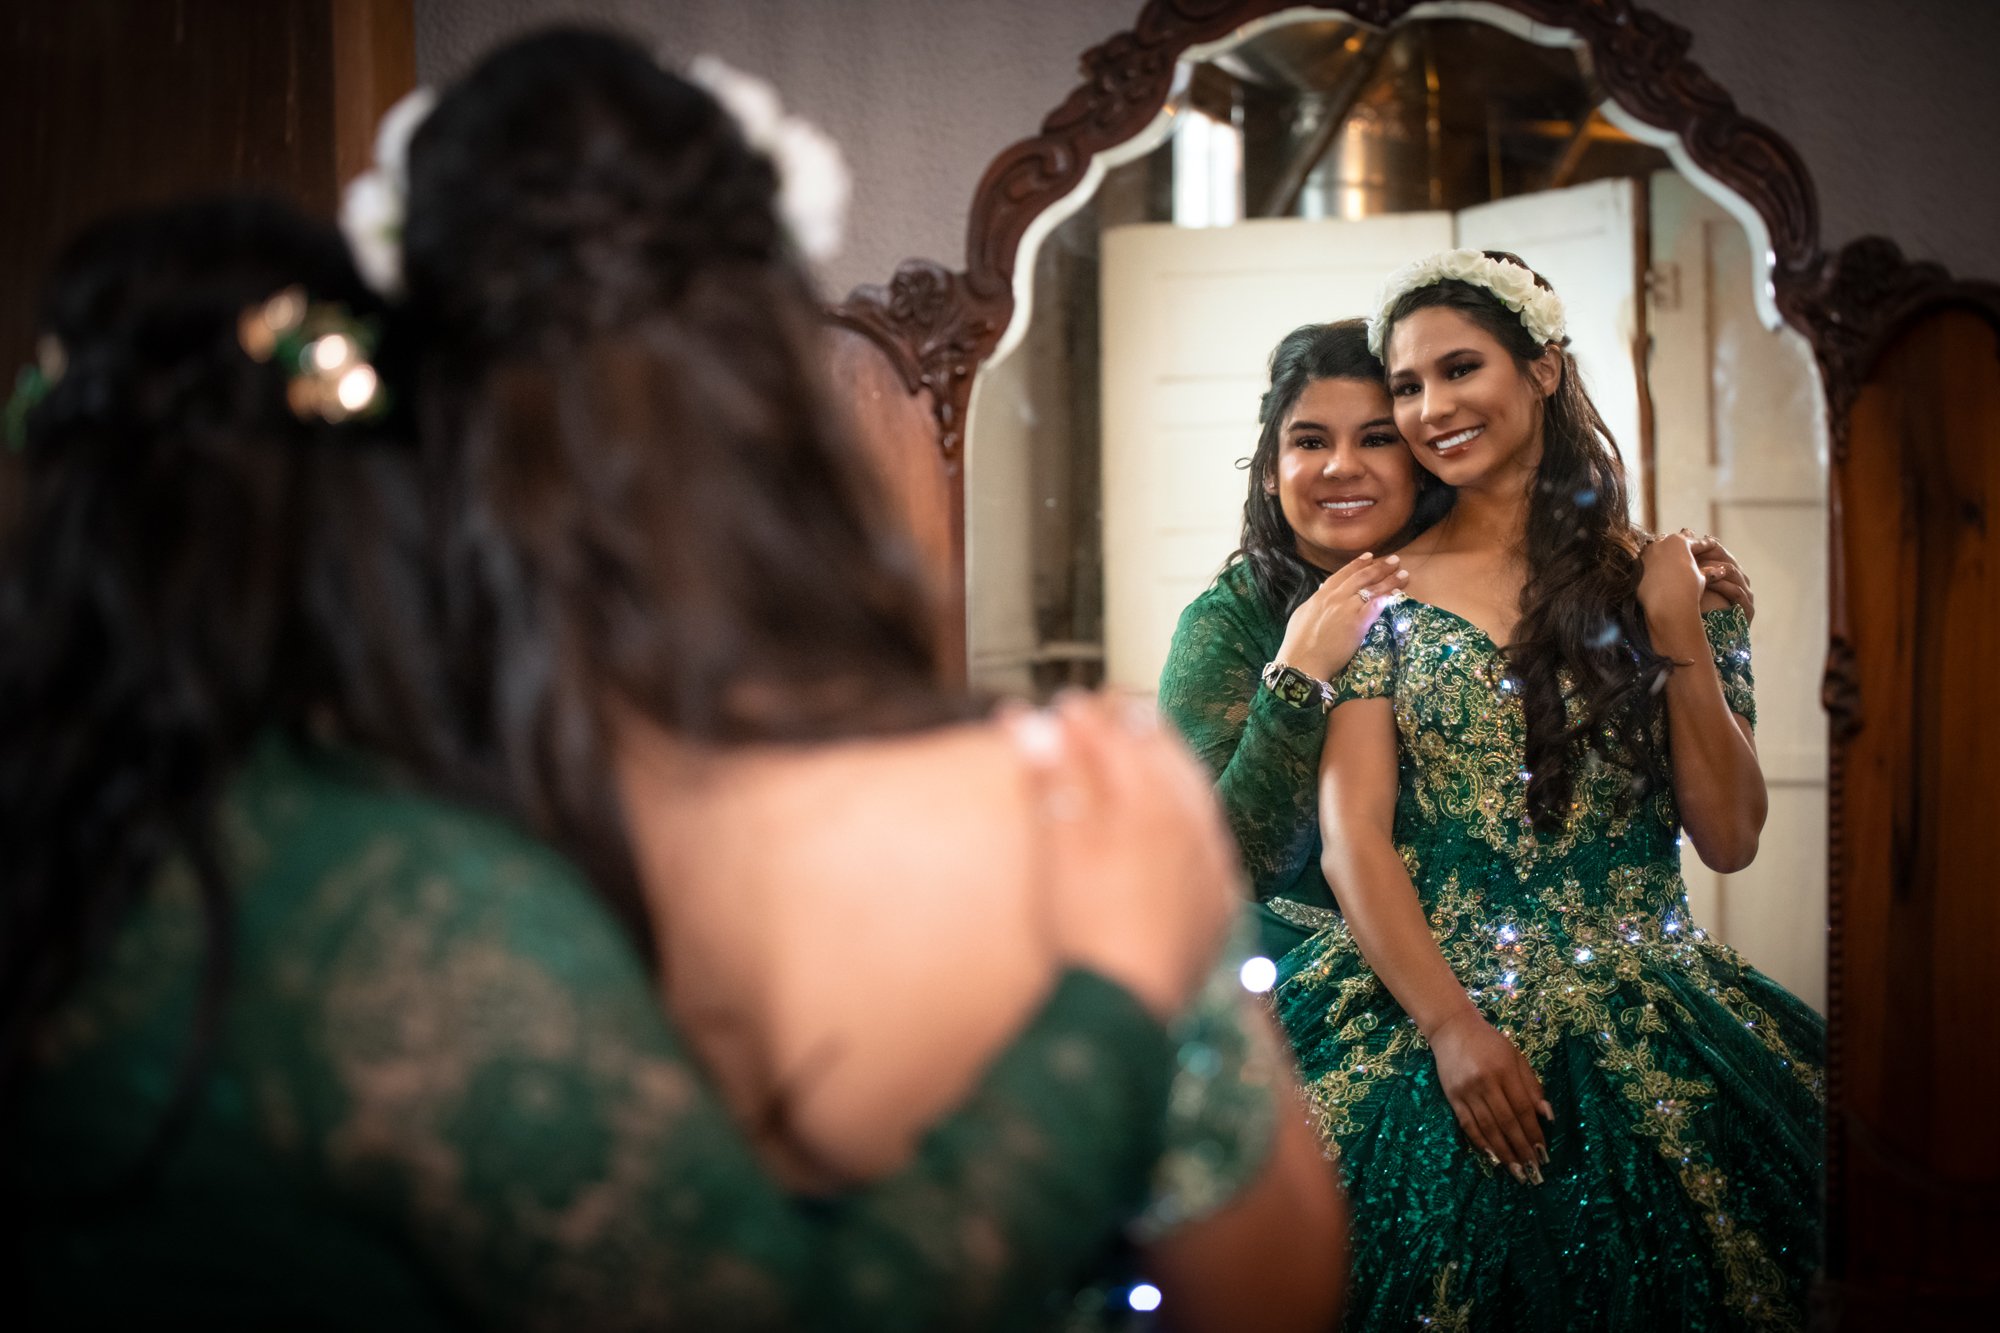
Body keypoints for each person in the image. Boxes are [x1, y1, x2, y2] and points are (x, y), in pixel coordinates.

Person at [391, 29, 1344, 1331]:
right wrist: (1166, 970)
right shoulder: (1067, 818)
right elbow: (1266, 1298)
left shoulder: (333, 843)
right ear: (788, 401)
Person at [1275, 249, 1823, 1330]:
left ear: (1541, 369)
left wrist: (1676, 636)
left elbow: (1728, 837)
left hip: (1653, 1010)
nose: (1429, 408)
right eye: (1406, 385)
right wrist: (1450, 1028)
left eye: (1459, 368)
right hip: (1417, 1011)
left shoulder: (1671, 581)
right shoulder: (1377, 593)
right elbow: (1354, 841)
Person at [1156, 320, 1750, 966]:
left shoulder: (1525, 580)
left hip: (1523, 965)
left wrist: (1681, 605)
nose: (1342, 466)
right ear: (1271, 469)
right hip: (1300, 967)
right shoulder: (1230, 621)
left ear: (1419, 457)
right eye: (1309, 440)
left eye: (1378, 438)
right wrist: (1298, 674)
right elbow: (1223, 862)